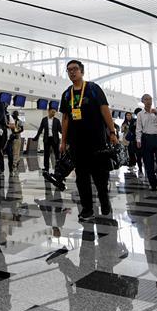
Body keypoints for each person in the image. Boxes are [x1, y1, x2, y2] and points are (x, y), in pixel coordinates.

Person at [58, 60, 118, 221]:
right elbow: (65, 118)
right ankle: (87, 208)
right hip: (77, 143)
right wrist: (63, 142)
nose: (72, 72)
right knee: (81, 177)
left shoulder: (93, 89)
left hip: (97, 141)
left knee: (100, 175)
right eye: (69, 70)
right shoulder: (66, 94)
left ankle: (104, 201)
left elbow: (105, 110)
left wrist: (112, 132)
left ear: (82, 71)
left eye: (75, 69)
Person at [136, 94, 157, 191]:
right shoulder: (140, 114)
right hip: (146, 139)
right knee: (148, 163)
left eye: (150, 99)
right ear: (143, 101)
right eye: (146, 99)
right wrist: (138, 140)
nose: (149, 101)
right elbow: (139, 128)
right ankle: (153, 183)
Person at [34, 107, 62, 173]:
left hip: (55, 139)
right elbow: (40, 129)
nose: (54, 113)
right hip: (47, 139)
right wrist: (37, 136)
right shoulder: (44, 120)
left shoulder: (57, 120)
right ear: (49, 111)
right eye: (52, 112)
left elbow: (60, 130)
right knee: (46, 154)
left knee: (57, 154)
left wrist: (66, 136)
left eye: (54, 112)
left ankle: (58, 167)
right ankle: (46, 168)